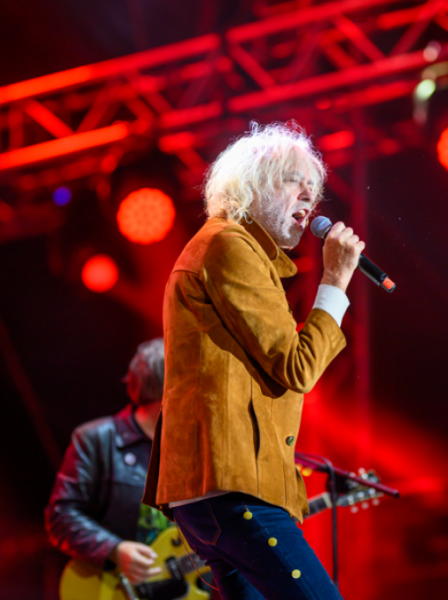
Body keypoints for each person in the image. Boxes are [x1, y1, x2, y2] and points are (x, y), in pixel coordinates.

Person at [143, 122, 364, 600]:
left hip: (214, 490)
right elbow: (297, 367)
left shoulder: (230, 248)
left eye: (314, 189)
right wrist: (335, 281)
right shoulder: (230, 245)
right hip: (233, 484)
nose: (309, 198)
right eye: (294, 182)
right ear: (253, 185)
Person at [46, 338, 206, 598]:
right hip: (115, 587)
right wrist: (114, 550)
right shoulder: (97, 439)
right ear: (171, 388)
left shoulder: (200, 448)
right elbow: (61, 516)